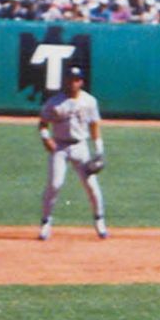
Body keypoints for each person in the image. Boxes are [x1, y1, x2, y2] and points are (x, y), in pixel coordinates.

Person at [37, 64, 107, 240]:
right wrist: (46, 138)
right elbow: (43, 122)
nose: (72, 83)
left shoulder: (90, 101)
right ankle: (46, 223)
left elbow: (94, 125)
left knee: (91, 186)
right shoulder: (54, 102)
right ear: (65, 81)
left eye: (76, 79)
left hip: (80, 146)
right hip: (59, 147)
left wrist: (99, 149)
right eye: (69, 79)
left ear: (81, 82)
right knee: (54, 185)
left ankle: (99, 220)